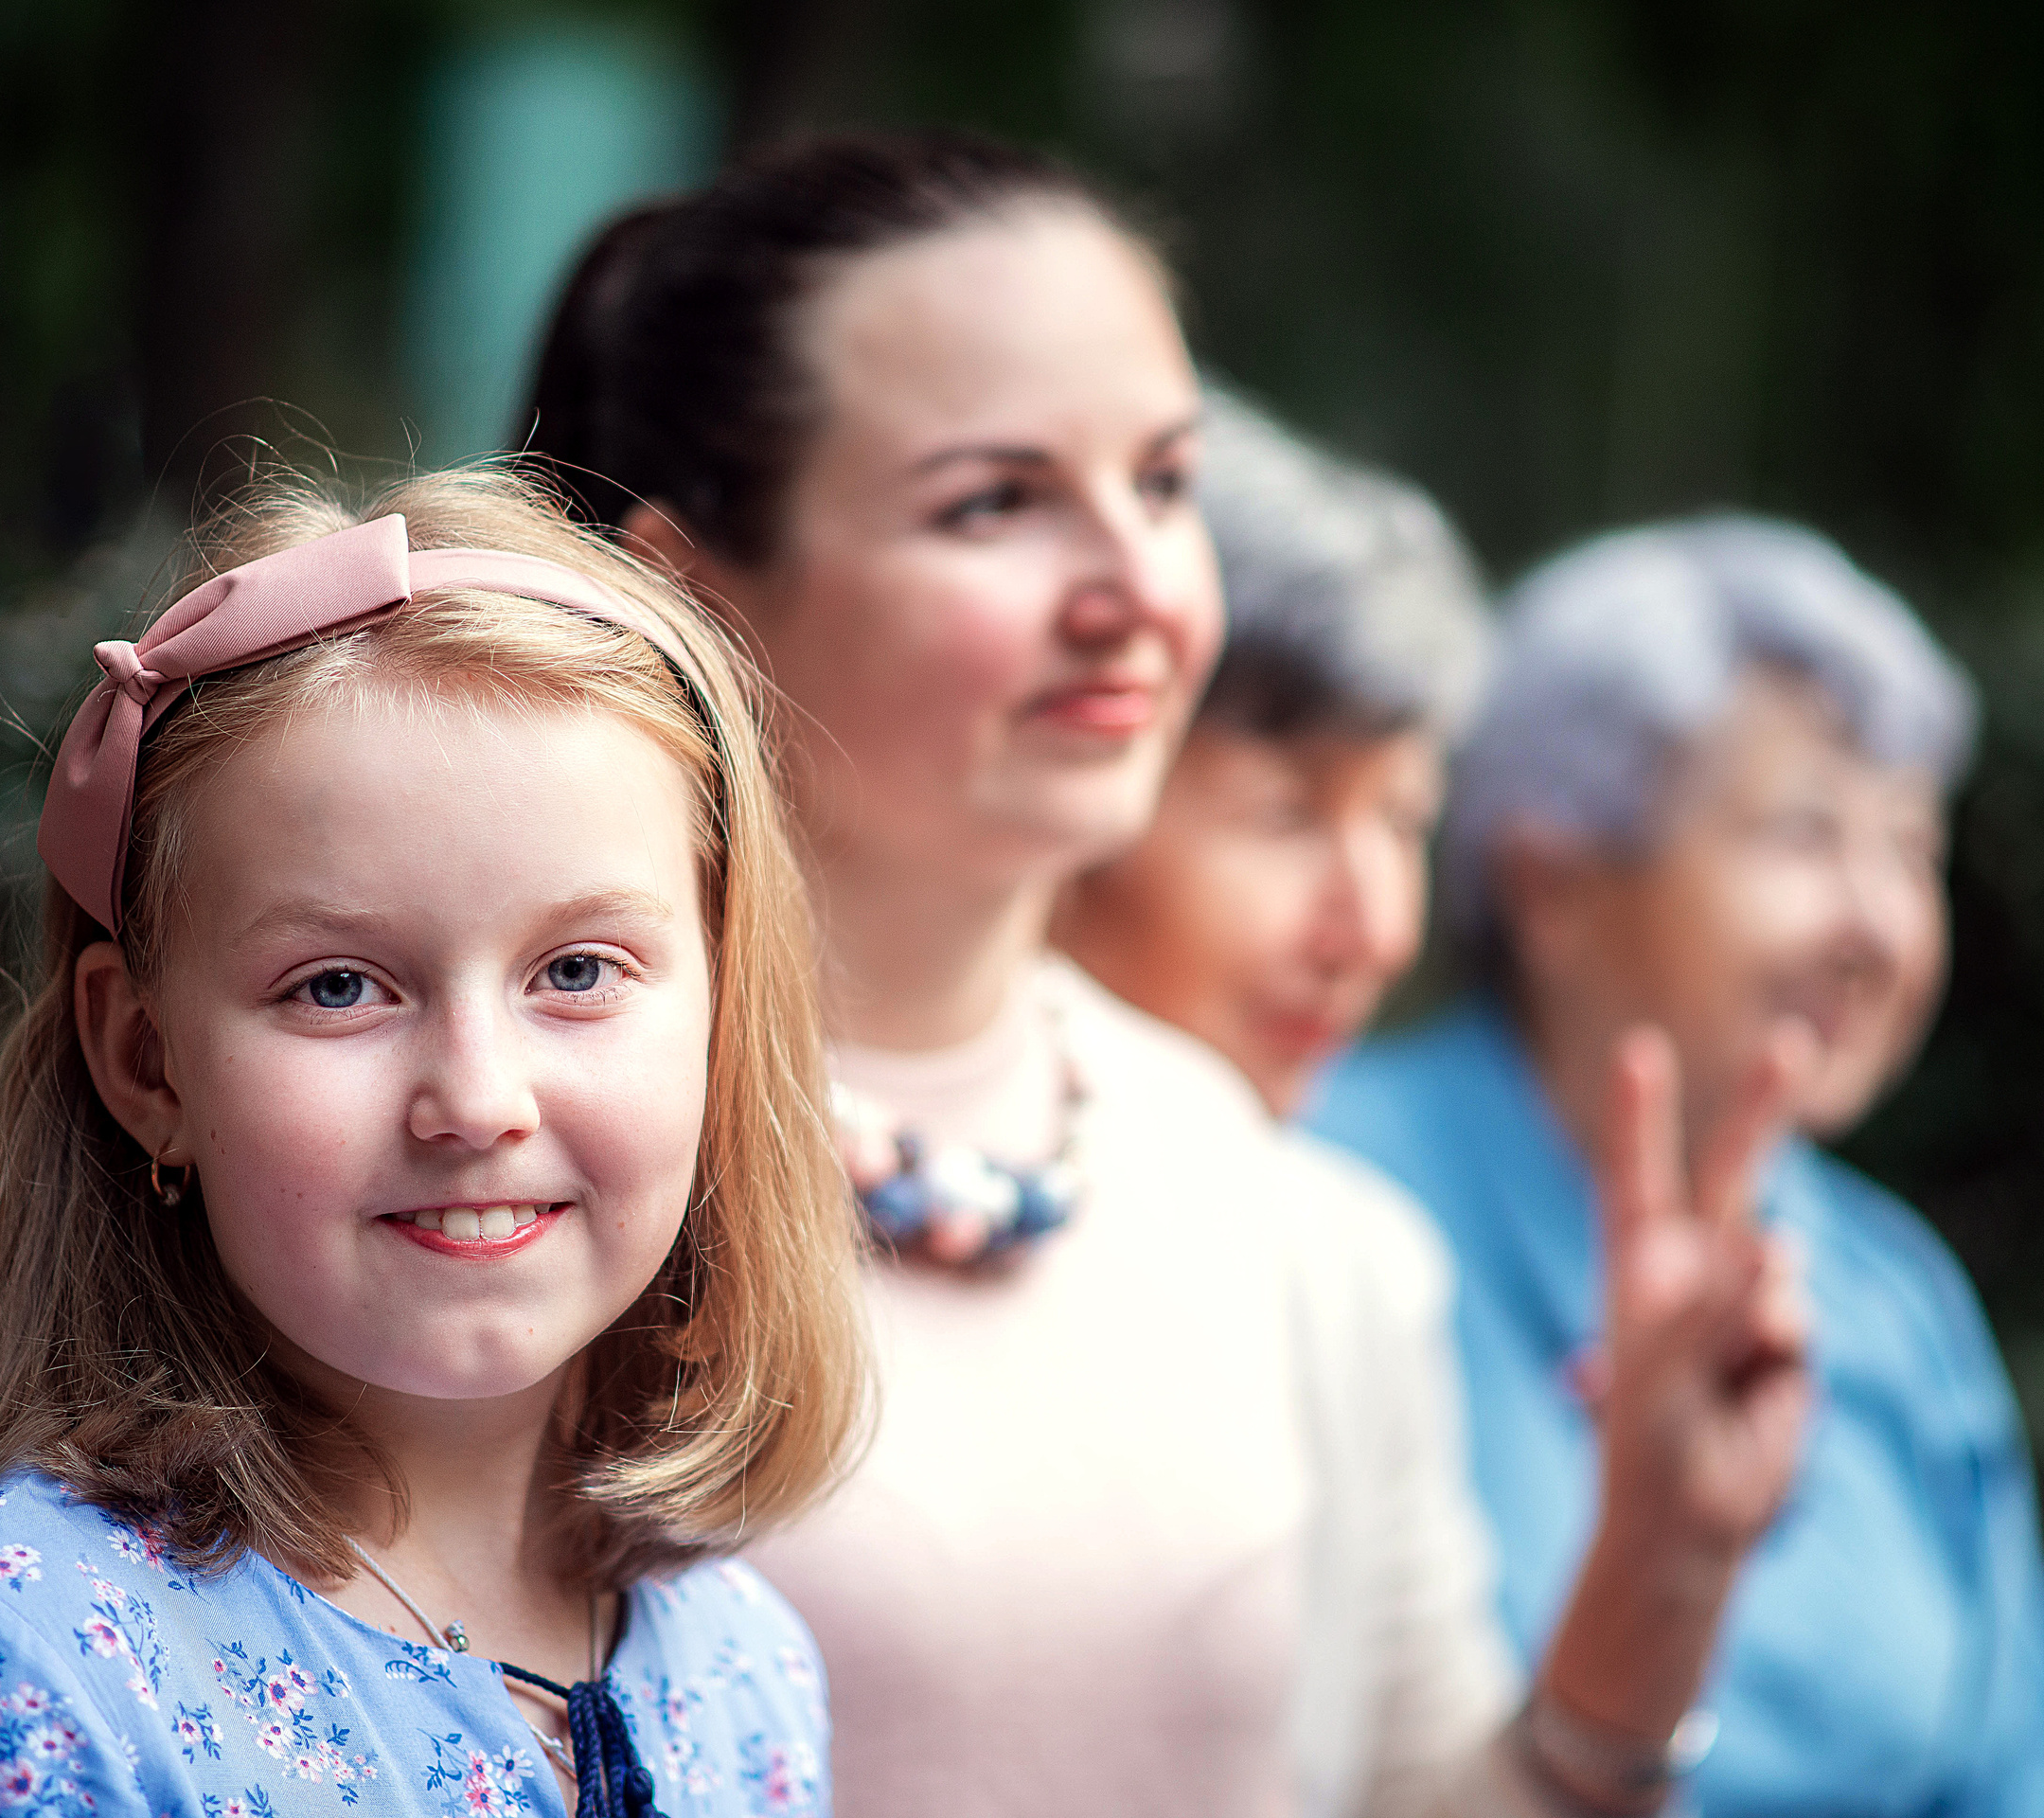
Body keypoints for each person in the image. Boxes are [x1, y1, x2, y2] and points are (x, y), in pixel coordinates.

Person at [522, 129, 1811, 1818]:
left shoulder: (1283, 1219)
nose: (1136, 588)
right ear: (687, 588)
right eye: (996, 501)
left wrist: (1662, 1560)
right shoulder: (518, 1161)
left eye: (1164, 481)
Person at [0, 469, 869, 1818]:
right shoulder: (36, 1646)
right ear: (145, 1060)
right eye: (340, 987)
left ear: (723, 1017)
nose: (478, 1100)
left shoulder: (742, 1663)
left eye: (579, 971)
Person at [1309, 517, 2044, 1815]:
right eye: (1805, 835)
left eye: (1912, 850)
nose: (1876, 926)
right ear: (1550, 884)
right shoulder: (1317, 1203)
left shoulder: (1889, 1295)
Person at [1054, 386, 1491, 1115]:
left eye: (1405, 819)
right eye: (1285, 816)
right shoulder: (827, 1195)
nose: (1379, 934)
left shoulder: (1362, 1229)